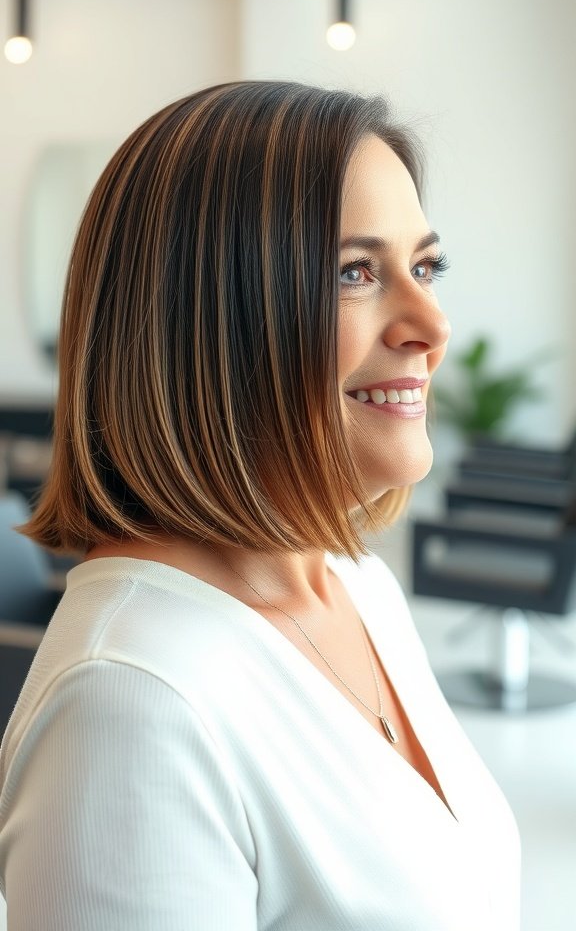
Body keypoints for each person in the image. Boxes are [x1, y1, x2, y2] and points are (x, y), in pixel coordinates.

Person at [0, 81, 521, 930]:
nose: (431, 323)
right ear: (207, 322)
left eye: (424, 267)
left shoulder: (356, 586)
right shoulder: (129, 704)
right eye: (356, 272)